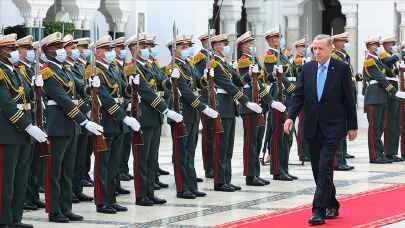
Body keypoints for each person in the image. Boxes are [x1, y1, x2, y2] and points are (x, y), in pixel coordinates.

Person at [284, 34, 358, 225]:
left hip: (334, 126)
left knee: (325, 165)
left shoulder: (341, 68)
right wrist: (290, 117)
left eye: (320, 49)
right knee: (318, 169)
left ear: (330, 49)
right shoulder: (307, 68)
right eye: (314, 49)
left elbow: (349, 99)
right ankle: (332, 201)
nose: (316, 52)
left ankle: (318, 210)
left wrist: (352, 126)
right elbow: (298, 95)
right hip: (311, 126)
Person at [41, 32, 104, 222]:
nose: (61, 50)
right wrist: (84, 120)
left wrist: (90, 87)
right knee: (55, 171)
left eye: (62, 46)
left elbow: (77, 89)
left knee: (68, 169)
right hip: (58, 126)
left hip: (70, 126)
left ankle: (66, 207)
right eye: (57, 47)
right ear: (48, 51)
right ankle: (54, 210)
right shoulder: (47, 71)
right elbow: (63, 99)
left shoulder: (64, 69)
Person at [0, 33, 48, 228]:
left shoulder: (16, 71)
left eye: (14, 49)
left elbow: (27, 101)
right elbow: (7, 104)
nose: (14, 52)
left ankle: (16, 218)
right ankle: (4, 220)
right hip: (8, 132)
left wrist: (37, 88)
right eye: (9, 49)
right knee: (6, 181)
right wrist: (28, 126)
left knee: (21, 179)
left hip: (24, 133)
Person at [331, 32, 355, 171]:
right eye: (342, 42)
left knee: (344, 128)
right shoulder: (335, 56)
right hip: (338, 97)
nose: (344, 44)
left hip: (345, 95)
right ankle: (337, 161)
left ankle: (342, 158)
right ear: (335, 43)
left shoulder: (343, 55)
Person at [379, 36, 403, 162]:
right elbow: (387, 62)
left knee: (395, 124)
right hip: (390, 92)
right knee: (389, 123)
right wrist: (399, 53)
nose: (391, 46)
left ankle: (393, 152)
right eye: (389, 44)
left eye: (392, 44)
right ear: (384, 44)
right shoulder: (382, 55)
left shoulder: (392, 55)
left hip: (397, 90)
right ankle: (388, 152)